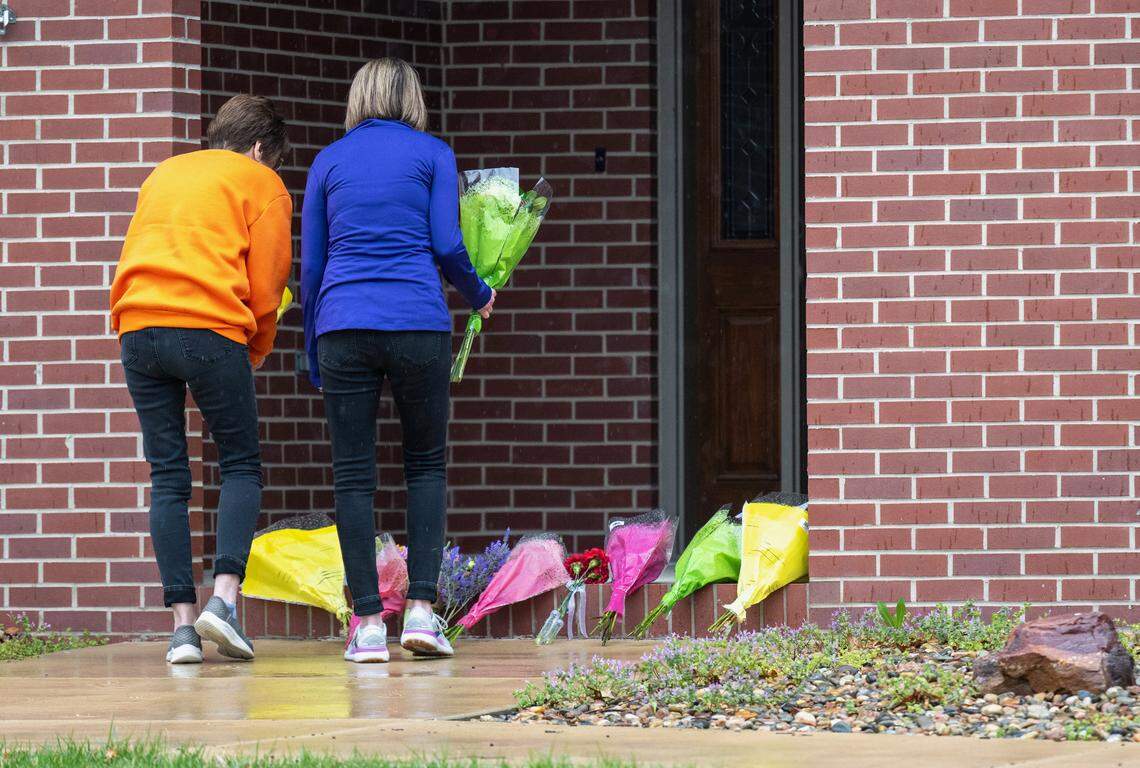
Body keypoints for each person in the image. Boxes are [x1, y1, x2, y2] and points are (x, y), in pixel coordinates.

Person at [301, 58, 494, 663]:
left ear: (358, 96)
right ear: (413, 97)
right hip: (417, 321)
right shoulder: (433, 153)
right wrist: (478, 291)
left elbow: (310, 266)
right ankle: (421, 614)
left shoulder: (327, 161)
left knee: (354, 473)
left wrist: (314, 340)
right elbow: (445, 243)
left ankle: (365, 626)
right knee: (425, 468)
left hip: (343, 325)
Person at [110, 95, 293, 664]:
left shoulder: (164, 172)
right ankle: (224, 602)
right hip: (209, 326)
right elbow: (267, 286)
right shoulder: (261, 183)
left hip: (138, 327)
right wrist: (255, 349)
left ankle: (182, 631)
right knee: (240, 462)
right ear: (261, 148)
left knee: (168, 474)